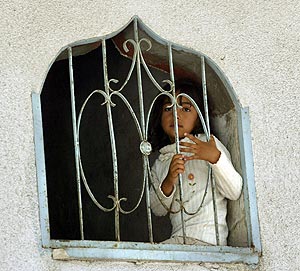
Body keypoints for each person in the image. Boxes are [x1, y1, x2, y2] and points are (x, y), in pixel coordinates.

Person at [149, 79, 243, 246]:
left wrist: (214, 158)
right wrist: (169, 180)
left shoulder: (208, 144)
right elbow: (157, 209)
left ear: (198, 118)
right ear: (159, 116)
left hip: (209, 241)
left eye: (185, 108)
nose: (175, 114)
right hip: (179, 241)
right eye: (168, 108)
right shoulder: (162, 160)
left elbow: (234, 191)